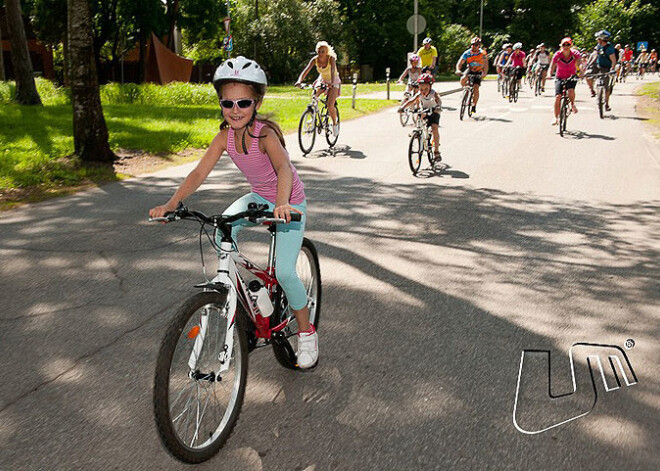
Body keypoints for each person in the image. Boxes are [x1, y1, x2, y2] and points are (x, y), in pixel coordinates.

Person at [150, 56, 318, 369]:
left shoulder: (264, 134)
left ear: (256, 102)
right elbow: (198, 174)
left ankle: (307, 332)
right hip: (258, 197)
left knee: (284, 271)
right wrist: (171, 204)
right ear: (221, 104)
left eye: (243, 102)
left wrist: (283, 204)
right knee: (221, 229)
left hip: (289, 202)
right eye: (228, 103)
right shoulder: (224, 137)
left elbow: (283, 168)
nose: (235, 109)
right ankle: (238, 290)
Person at [295, 41, 341, 136]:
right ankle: (313, 118)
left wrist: (331, 83)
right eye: (319, 51)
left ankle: (335, 124)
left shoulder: (331, 59)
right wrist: (299, 81)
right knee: (314, 97)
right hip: (323, 80)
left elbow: (332, 71)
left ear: (327, 52)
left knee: (330, 104)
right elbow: (306, 70)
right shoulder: (314, 60)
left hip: (333, 81)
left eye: (323, 51)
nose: (320, 54)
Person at [398, 73, 442, 161]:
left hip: (434, 111)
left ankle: (436, 151)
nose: (423, 91)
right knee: (420, 114)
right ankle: (417, 131)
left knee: (434, 128)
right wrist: (402, 107)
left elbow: (439, 101)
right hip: (425, 110)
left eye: (426, 88)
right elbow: (411, 100)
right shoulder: (419, 94)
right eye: (421, 89)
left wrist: (438, 107)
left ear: (430, 86)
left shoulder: (434, 93)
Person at [550, 37, 583, 125]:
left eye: (568, 44)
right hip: (559, 76)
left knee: (571, 90)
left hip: (571, 76)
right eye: (564, 45)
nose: (566, 46)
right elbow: (552, 65)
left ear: (570, 45)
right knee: (558, 97)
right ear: (561, 46)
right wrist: (550, 74)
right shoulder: (558, 54)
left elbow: (580, 63)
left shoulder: (575, 53)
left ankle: (572, 104)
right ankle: (556, 117)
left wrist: (581, 72)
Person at [455, 36, 489, 113]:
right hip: (470, 69)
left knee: (476, 88)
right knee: (463, 79)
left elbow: (486, 64)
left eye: (476, 45)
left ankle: (474, 105)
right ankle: (465, 90)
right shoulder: (467, 53)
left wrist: (484, 73)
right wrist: (458, 69)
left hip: (478, 71)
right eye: (472, 44)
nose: (474, 46)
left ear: (479, 46)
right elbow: (460, 62)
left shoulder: (482, 53)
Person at [586, 30, 616, 111]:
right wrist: (588, 64)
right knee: (588, 75)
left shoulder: (609, 48)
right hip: (597, 65)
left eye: (598, 39)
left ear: (602, 39)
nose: (597, 40)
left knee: (606, 87)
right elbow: (594, 54)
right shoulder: (599, 45)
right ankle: (592, 90)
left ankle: (606, 104)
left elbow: (613, 60)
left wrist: (612, 69)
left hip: (605, 67)